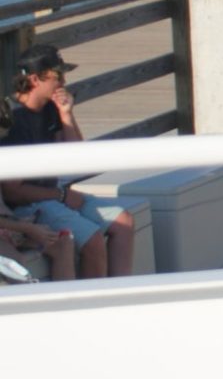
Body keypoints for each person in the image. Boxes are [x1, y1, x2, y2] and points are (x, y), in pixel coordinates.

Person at [1, 43, 136, 279]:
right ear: (34, 79)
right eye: (57, 76)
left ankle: (119, 298)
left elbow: (76, 161)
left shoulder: (49, 107)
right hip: (30, 205)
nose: (63, 83)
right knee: (92, 240)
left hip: (55, 194)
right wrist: (61, 196)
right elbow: (13, 193)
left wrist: (66, 114)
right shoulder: (12, 121)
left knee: (123, 222)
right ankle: (94, 307)